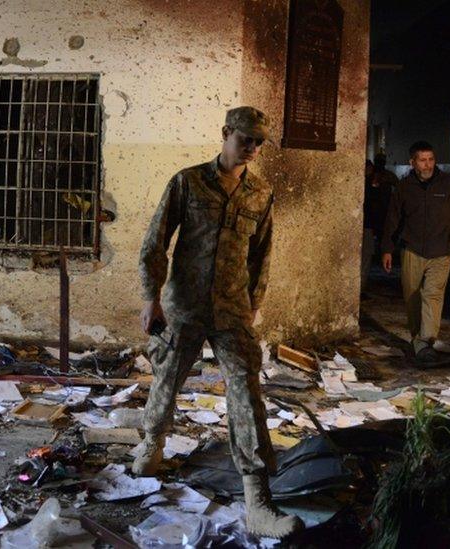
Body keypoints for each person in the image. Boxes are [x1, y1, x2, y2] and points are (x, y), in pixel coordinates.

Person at [137, 106, 303, 539]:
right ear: (226, 133)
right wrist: (150, 299)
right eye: (245, 139)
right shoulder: (188, 182)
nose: (251, 148)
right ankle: (152, 442)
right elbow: (156, 243)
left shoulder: (260, 193)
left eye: (259, 143)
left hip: (232, 310)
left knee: (247, 392)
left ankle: (257, 498)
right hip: (185, 306)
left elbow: (261, 257)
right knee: (168, 377)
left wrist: (253, 307)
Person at [381, 141, 450, 361]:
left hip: (443, 250)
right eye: (422, 160)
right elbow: (392, 219)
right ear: (412, 162)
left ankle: (427, 340)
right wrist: (387, 249)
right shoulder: (404, 187)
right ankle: (419, 341)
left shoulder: (449, 184)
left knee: (433, 294)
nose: (428, 164)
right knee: (412, 296)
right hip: (412, 249)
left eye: (431, 159)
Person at [362, 154, 398, 294]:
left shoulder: (385, 176)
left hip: (378, 218)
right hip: (370, 221)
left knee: (370, 252)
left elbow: (398, 189)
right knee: (367, 253)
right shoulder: (372, 179)